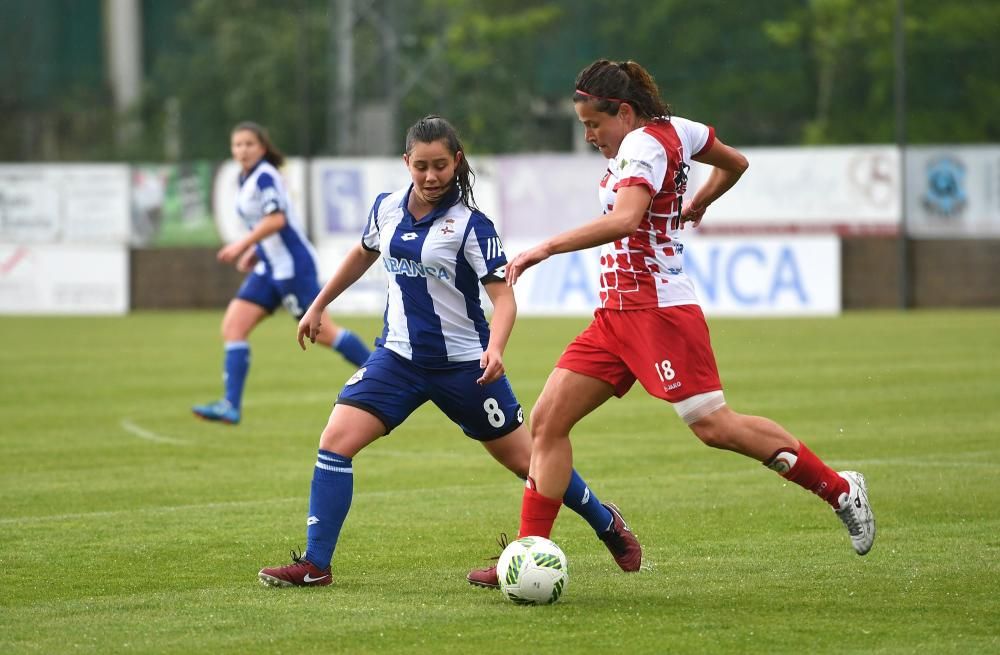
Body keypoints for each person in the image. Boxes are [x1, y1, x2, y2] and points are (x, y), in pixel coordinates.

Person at [469, 59, 876, 578]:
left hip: (659, 312)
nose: (590, 136)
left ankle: (842, 491)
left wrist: (544, 248)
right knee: (548, 423)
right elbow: (735, 163)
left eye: (594, 125)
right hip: (615, 315)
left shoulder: (641, 146)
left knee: (713, 426)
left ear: (623, 111)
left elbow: (625, 220)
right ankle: (528, 557)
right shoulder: (676, 130)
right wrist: (700, 201)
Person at [258, 116, 641, 588]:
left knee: (529, 461)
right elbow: (363, 253)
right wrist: (319, 304)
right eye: (421, 166)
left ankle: (607, 523)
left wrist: (495, 348)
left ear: (456, 161)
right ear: (406, 163)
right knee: (335, 442)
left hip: (466, 368)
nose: (431, 175)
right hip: (396, 360)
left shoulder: (471, 227)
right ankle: (316, 565)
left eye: (440, 165)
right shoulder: (386, 209)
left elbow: (503, 297)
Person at [192, 122, 371, 425]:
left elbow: (276, 220)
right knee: (234, 326)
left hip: (292, 268)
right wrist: (256, 251)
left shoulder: (265, 176)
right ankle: (230, 406)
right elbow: (266, 226)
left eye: (249, 144)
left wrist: (241, 246)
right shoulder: (245, 178)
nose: (242, 150)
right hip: (269, 268)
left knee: (325, 333)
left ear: (262, 147)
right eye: (237, 145)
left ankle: (385, 375)